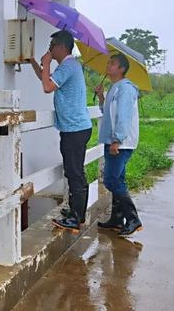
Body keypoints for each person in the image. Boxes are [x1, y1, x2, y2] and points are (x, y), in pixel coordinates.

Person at [28, 30, 92, 231]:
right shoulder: (69, 67)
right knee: (74, 172)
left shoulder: (69, 66)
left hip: (74, 129)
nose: (49, 49)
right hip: (75, 128)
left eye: (52, 45)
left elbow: (47, 87)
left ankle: (76, 217)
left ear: (62, 47)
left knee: (75, 173)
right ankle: (77, 214)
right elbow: (46, 79)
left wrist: (46, 62)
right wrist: (33, 61)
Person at [95, 54, 143, 237]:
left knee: (111, 180)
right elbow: (107, 114)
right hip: (113, 141)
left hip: (120, 143)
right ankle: (117, 219)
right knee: (118, 179)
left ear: (122, 69)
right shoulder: (114, 88)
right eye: (108, 62)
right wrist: (101, 96)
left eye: (112, 63)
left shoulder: (126, 89)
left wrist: (117, 140)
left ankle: (133, 219)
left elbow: (123, 116)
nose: (108, 65)